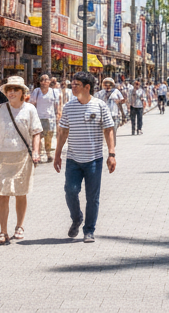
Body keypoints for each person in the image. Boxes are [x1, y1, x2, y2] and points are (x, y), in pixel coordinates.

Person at [54, 71, 117, 243]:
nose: (72, 87)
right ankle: (77, 217)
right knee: (70, 190)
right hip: (73, 159)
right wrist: (57, 154)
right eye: (72, 84)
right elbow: (63, 132)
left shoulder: (100, 106)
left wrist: (111, 154)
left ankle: (89, 230)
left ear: (87, 87)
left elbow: (108, 130)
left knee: (92, 197)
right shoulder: (69, 107)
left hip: (94, 159)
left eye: (76, 84)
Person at [0, 77, 42, 243]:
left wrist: (35, 151)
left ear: (22, 93)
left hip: (22, 157)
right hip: (2, 157)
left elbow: (36, 132)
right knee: (2, 194)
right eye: (9, 89)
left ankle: (19, 226)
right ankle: (3, 231)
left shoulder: (29, 109)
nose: (12, 93)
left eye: (16, 89)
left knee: (20, 193)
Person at [29, 75, 61, 160]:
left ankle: (48, 154)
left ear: (49, 81)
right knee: (38, 137)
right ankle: (38, 154)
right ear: (40, 82)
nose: (44, 82)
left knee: (48, 138)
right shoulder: (37, 91)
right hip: (38, 118)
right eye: (42, 80)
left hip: (50, 118)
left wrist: (58, 115)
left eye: (46, 80)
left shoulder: (54, 92)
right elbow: (32, 104)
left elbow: (57, 105)